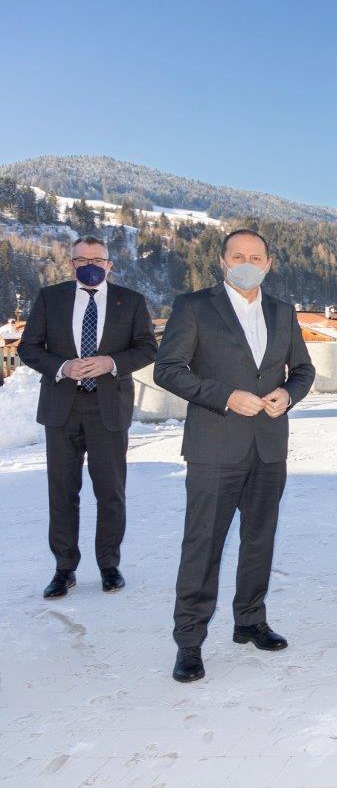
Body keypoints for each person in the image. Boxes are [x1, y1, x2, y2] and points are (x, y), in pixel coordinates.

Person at [154, 229, 315, 683]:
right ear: (223, 262)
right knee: (203, 543)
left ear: (269, 263)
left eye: (256, 256)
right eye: (238, 255)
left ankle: (250, 620)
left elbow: (303, 369)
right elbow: (168, 370)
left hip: (268, 445)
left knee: (259, 538)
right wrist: (225, 396)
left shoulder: (282, 311)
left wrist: (288, 392)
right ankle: (189, 641)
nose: (247, 262)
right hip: (215, 446)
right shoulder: (195, 306)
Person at [17, 236, 156, 599]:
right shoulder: (51, 298)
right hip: (61, 408)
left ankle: (109, 565)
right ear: (71, 263)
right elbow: (28, 347)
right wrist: (62, 366)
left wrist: (111, 362)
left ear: (109, 264)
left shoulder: (132, 301)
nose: (90, 264)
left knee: (111, 492)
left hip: (108, 408)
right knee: (62, 492)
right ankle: (64, 569)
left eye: (98, 259)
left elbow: (147, 348)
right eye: (82, 259)